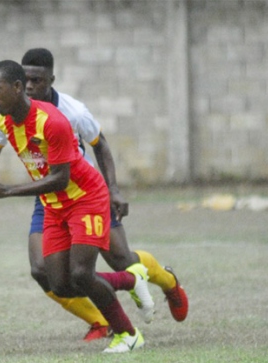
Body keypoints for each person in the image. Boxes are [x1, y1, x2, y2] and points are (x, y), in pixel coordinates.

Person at [0, 59, 148, 353]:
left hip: (85, 198)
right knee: (59, 283)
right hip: (54, 205)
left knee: (81, 274)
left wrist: (8, 191)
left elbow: (61, 178)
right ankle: (131, 278)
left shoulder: (52, 121)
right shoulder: (4, 120)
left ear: (16, 87)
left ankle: (128, 335)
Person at [20, 48, 189, 340]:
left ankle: (168, 281)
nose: (30, 87)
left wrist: (113, 189)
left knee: (121, 258)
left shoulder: (72, 111)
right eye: (25, 80)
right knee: (41, 269)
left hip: (86, 193)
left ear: (52, 79)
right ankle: (101, 320)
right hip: (50, 195)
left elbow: (101, 144)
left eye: (37, 80)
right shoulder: (11, 108)